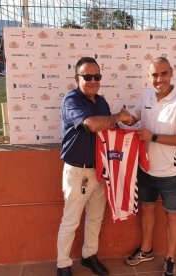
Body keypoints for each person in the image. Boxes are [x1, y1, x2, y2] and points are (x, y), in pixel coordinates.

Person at [57, 57, 133, 276]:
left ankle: (89, 256)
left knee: (95, 218)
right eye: (87, 76)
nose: (92, 81)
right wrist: (117, 116)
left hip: (100, 170)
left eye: (96, 76)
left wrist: (126, 121)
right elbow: (90, 124)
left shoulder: (101, 102)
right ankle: (63, 264)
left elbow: (109, 128)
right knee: (70, 221)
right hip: (77, 171)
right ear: (76, 78)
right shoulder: (71, 100)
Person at [123, 57, 176, 276]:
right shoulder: (146, 96)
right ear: (149, 76)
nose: (159, 79)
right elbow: (135, 118)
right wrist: (124, 117)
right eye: (154, 75)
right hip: (145, 169)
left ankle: (170, 259)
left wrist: (152, 137)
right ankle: (146, 250)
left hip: (171, 174)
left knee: (172, 217)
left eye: (163, 73)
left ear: (171, 73)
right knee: (146, 210)